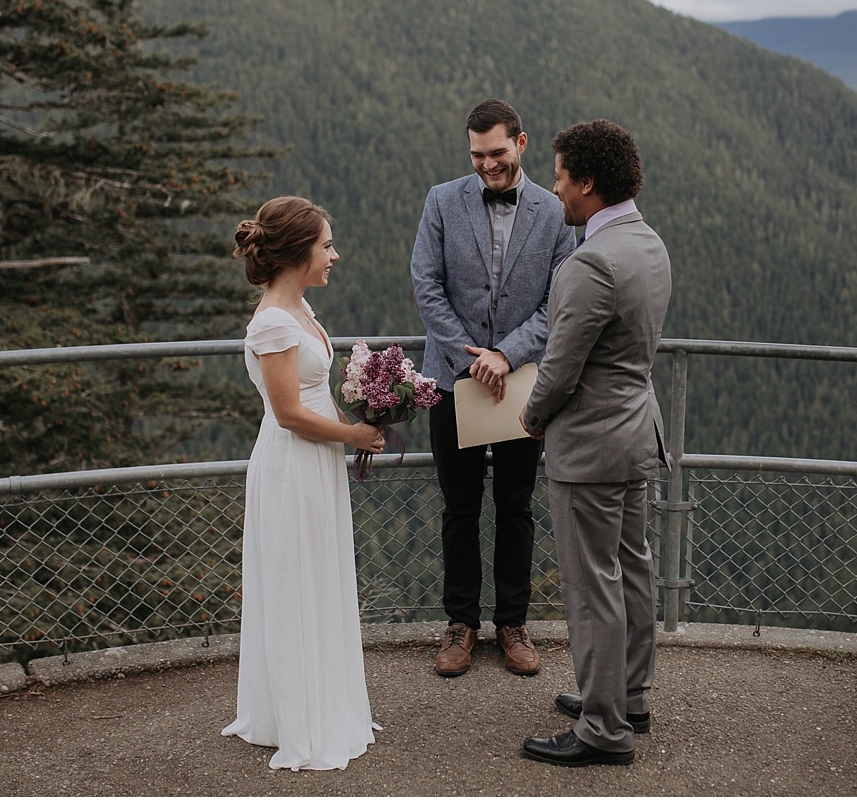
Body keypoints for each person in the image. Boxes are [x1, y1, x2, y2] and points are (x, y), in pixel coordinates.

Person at [519, 120, 672, 767]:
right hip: (637, 433)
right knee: (632, 569)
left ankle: (604, 728)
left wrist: (530, 417)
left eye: (558, 177)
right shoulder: (650, 244)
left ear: (586, 182)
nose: (554, 190)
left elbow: (560, 366)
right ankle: (628, 695)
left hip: (590, 448)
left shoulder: (592, 263)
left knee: (591, 587)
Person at [411, 99, 576, 677]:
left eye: (498, 153)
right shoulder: (440, 200)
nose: (487, 166)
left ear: (522, 144)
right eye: (478, 155)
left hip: (522, 382)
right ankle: (460, 624)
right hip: (451, 379)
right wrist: (470, 356)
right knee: (458, 507)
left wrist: (507, 355)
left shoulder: (555, 212)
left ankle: (512, 624)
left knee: (515, 506)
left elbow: (559, 301)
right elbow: (426, 286)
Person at [222, 196, 386, 770]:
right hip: (293, 463)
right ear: (298, 254)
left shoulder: (299, 313)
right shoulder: (272, 321)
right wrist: (355, 435)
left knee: (318, 574)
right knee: (296, 581)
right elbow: (288, 412)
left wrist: (363, 411)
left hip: (316, 461)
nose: (334, 255)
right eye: (326, 245)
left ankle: (324, 701)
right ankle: (301, 718)